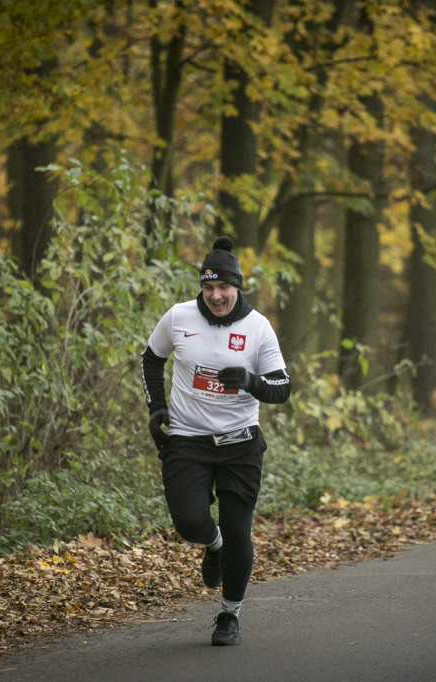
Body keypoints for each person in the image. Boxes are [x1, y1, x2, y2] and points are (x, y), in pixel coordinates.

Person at [140, 236, 291, 646]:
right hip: (187, 438)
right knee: (190, 522)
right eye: (208, 288)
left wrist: (251, 381)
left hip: (240, 442)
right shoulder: (179, 317)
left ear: (237, 287)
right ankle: (213, 544)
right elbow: (150, 359)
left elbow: (282, 387)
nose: (216, 296)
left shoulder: (258, 327)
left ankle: (229, 615)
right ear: (201, 288)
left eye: (223, 288)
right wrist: (156, 408)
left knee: (240, 531)